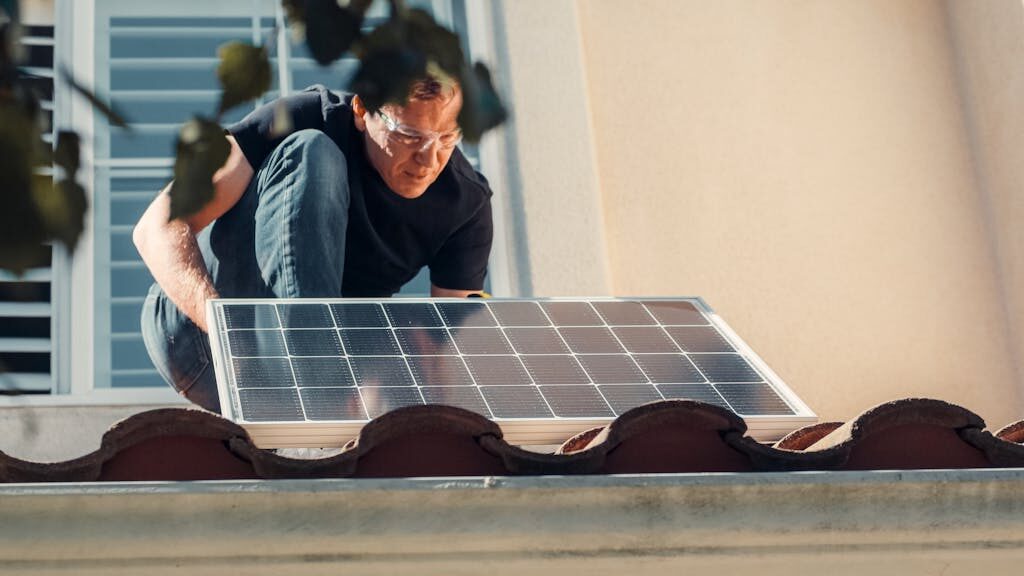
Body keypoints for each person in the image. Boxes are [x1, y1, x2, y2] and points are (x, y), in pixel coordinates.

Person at [134, 79, 494, 413]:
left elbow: (446, 344)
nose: (428, 161)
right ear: (361, 111)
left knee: (417, 328)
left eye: (446, 139)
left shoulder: (465, 203)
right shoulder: (304, 115)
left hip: (306, 378)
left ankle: (319, 395)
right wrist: (224, 331)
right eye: (409, 136)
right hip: (202, 344)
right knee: (312, 151)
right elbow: (157, 226)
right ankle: (315, 390)